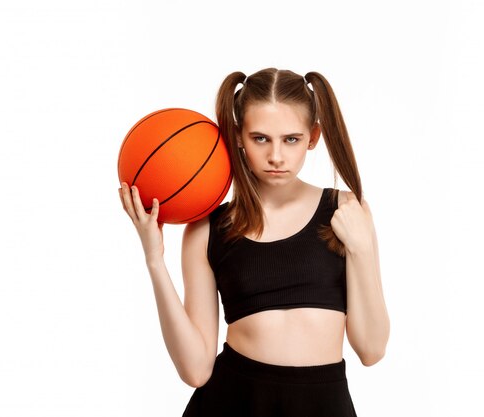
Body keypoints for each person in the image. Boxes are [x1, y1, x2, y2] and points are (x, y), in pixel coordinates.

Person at [118, 68, 390, 416]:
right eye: (261, 138)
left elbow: (372, 349)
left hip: (323, 405)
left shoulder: (346, 211)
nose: (276, 156)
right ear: (239, 137)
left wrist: (362, 247)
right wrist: (154, 260)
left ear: (313, 136)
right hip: (233, 403)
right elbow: (196, 370)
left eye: (290, 139)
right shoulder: (209, 229)